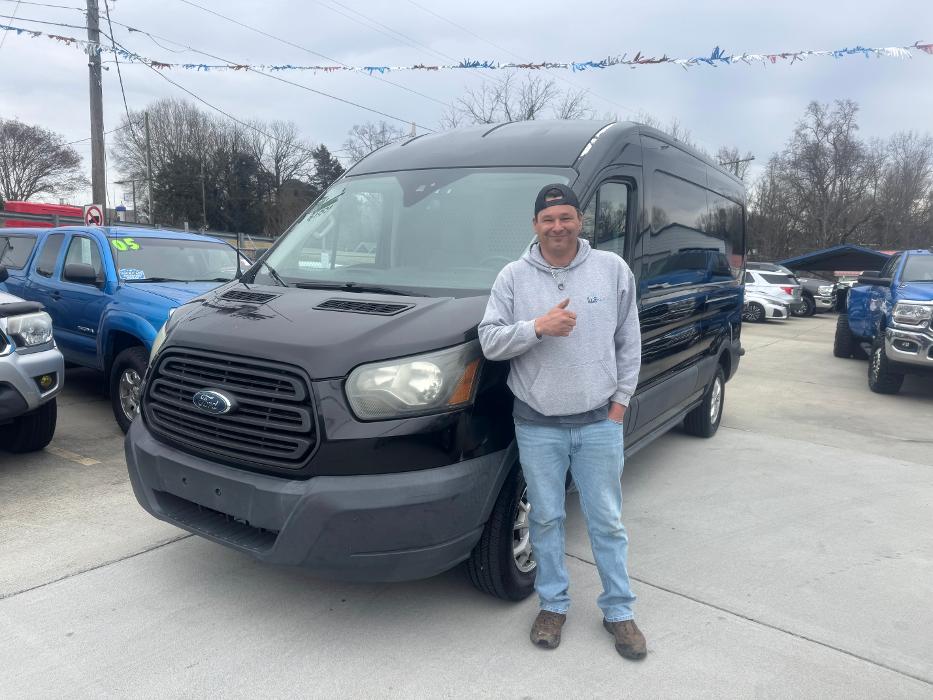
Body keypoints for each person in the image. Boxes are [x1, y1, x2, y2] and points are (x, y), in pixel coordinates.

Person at [478, 183, 645, 660]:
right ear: (535, 225)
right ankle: (552, 605)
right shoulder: (513, 277)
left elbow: (629, 340)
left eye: (566, 217)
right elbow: (489, 341)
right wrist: (537, 328)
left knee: (606, 521)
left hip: (598, 423)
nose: (558, 227)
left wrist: (620, 403)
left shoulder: (611, 269)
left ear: (579, 221)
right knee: (546, 518)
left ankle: (619, 611)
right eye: (548, 219)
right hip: (537, 425)